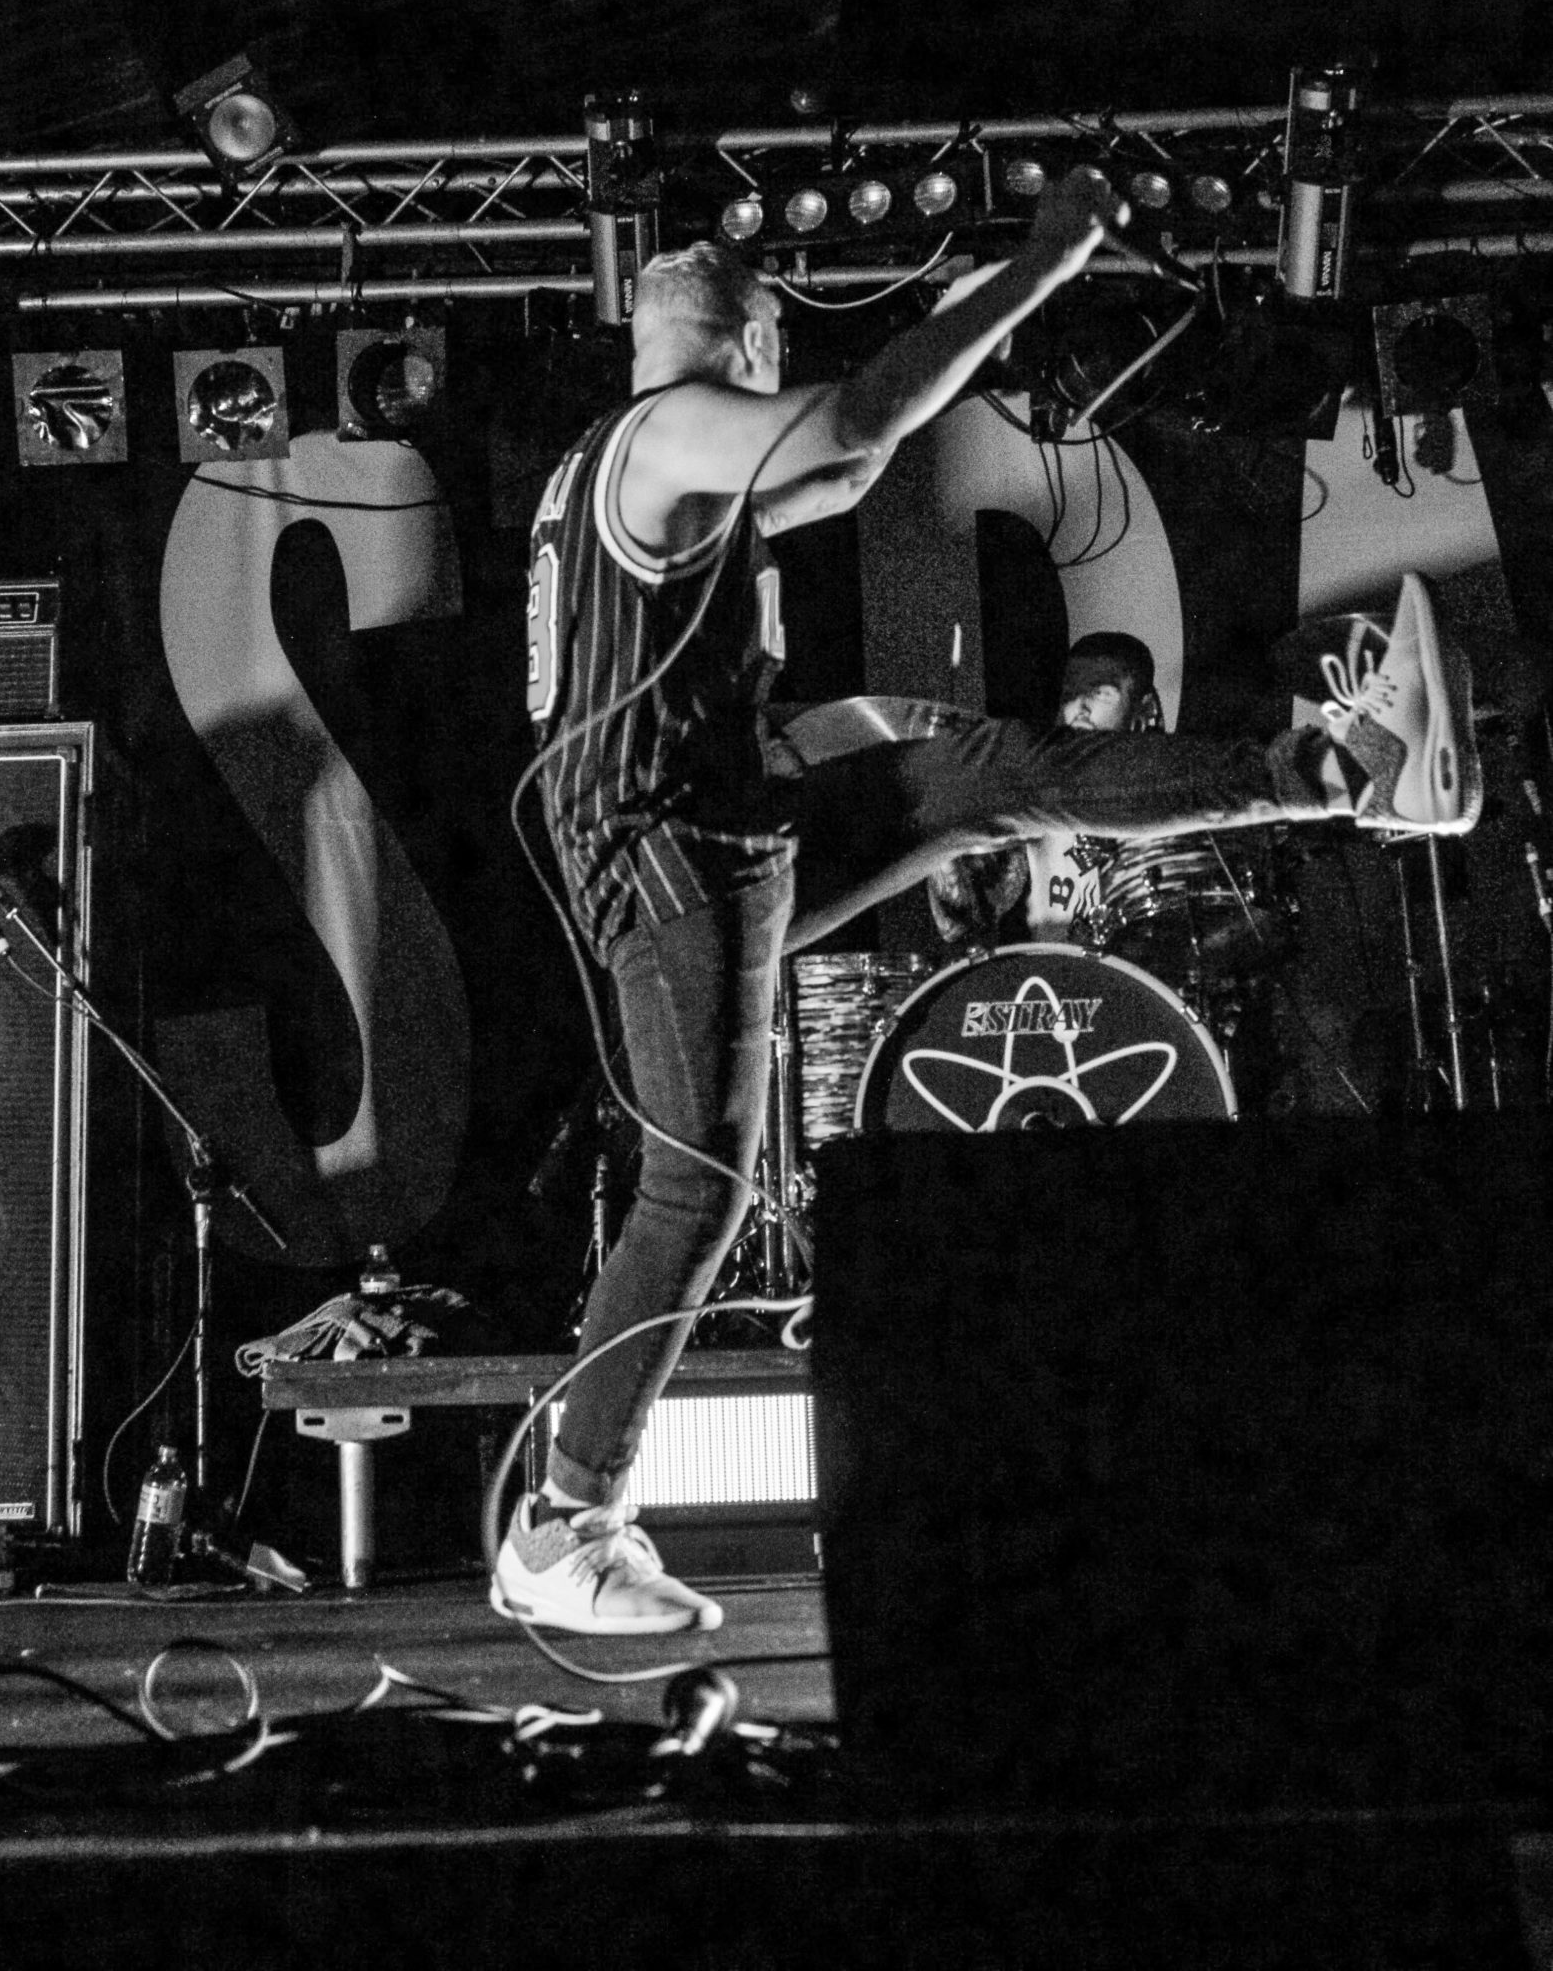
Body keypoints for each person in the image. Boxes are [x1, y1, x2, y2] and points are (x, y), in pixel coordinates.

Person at [499, 168, 1480, 1635]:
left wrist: (978, 306)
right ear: (754, 345)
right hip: (669, 850)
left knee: (990, 778)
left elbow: (837, 477)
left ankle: (1341, 771)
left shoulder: (625, 464)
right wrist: (1039, 264)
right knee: (695, 1183)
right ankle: (563, 1522)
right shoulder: (664, 432)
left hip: (724, 821)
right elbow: (847, 428)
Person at [926, 630, 1163, 951]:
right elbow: (959, 923)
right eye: (1070, 692)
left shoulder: (1171, 801)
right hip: (1043, 979)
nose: (1078, 707)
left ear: (1144, 710)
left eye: (1100, 694)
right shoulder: (1026, 801)